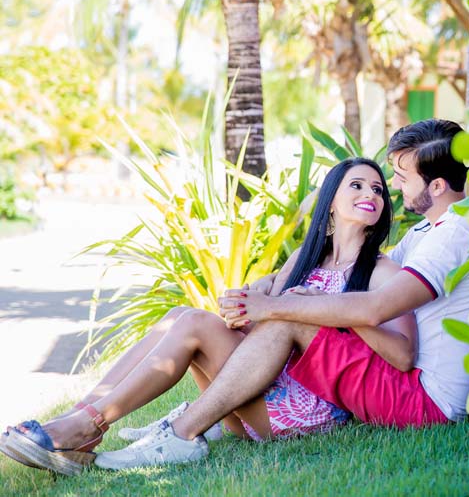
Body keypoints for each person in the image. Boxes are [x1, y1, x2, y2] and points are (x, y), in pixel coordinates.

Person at [85, 118, 469, 470]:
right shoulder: (423, 234)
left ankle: (180, 432)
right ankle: (82, 419)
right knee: (185, 317)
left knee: (288, 314)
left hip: (426, 397)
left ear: (435, 185)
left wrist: (287, 304)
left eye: (398, 179)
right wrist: (268, 287)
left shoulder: (450, 234)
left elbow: (377, 309)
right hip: (361, 381)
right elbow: (352, 278)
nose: (391, 188)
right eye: (370, 184)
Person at [0, 157, 416, 475]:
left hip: (304, 409)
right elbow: (262, 314)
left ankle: (85, 427)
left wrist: (333, 312)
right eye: (357, 185)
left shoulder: (384, 273)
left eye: (379, 189)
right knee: (182, 315)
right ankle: (75, 420)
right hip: (255, 389)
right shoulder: (304, 263)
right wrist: (240, 305)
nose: (372, 194)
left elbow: (403, 356)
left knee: (195, 325)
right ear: (330, 203)